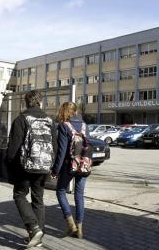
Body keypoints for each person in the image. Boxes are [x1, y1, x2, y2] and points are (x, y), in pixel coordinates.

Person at [6, 90, 57, 248]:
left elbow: (13, 148)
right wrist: (51, 165)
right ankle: (37, 238)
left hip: (25, 167)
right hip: (44, 166)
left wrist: (9, 166)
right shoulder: (50, 120)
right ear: (40, 102)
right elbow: (54, 145)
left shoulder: (22, 119)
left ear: (26, 102)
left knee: (19, 195)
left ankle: (33, 228)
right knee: (38, 200)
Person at [51, 102, 89, 239]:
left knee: (60, 191)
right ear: (75, 112)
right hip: (84, 165)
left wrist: (55, 170)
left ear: (64, 112)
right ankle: (79, 229)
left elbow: (61, 152)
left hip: (69, 165)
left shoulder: (64, 126)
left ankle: (71, 226)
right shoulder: (84, 125)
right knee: (79, 195)